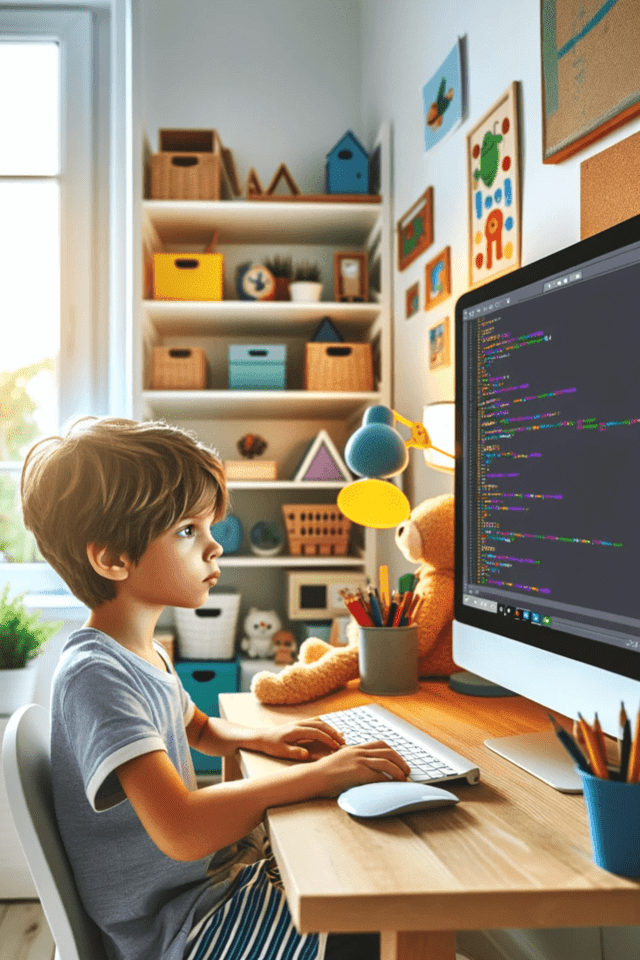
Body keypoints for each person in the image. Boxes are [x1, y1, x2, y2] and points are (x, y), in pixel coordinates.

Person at [20, 416, 410, 960]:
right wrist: (317, 777)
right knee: (373, 924)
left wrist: (258, 740)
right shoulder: (96, 675)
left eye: (208, 528)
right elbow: (180, 828)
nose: (214, 548)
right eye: (187, 531)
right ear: (112, 558)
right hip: (177, 930)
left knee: (355, 884)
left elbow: (197, 726)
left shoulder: (141, 650)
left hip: (199, 896)